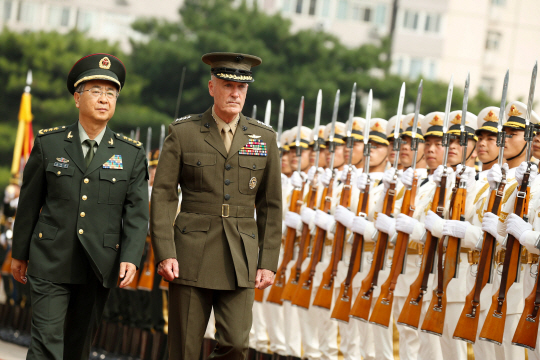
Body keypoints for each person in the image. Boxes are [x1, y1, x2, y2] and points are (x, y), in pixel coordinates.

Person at [11, 53, 149, 359]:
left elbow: (137, 214)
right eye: (96, 91)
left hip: (98, 265)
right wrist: (19, 253)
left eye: (111, 93)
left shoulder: (131, 154)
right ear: (77, 98)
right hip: (49, 260)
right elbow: (29, 203)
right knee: (46, 343)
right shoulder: (50, 144)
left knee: (78, 347)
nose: (104, 99)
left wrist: (131, 257)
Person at [150, 52, 282, 360]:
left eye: (242, 88)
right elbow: (164, 196)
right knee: (184, 348)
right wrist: (165, 251)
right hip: (190, 252)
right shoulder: (182, 133)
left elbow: (271, 205)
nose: (235, 94)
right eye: (227, 85)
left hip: (241, 256)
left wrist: (268, 260)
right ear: (212, 87)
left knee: (237, 343)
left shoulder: (263, 138)